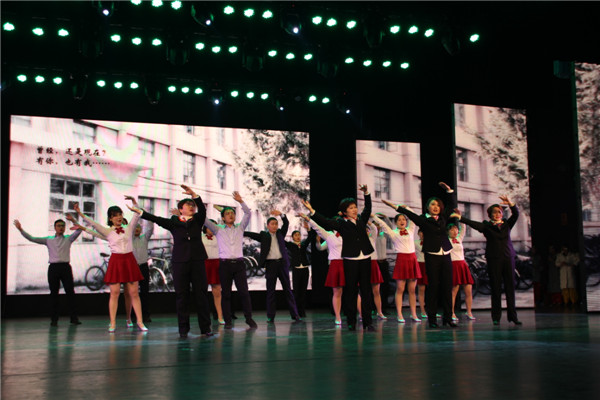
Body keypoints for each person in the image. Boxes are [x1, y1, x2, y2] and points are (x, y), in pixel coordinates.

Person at [136, 184, 211, 337]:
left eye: (192, 205)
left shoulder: (198, 219)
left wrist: (194, 195)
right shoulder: (173, 222)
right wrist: (140, 212)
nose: (192, 206)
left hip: (197, 261)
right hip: (180, 262)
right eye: (188, 205)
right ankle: (183, 330)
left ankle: (205, 328)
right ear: (181, 209)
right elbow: (155, 218)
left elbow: (202, 210)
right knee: (182, 296)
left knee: (201, 295)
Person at [302, 184, 376, 332]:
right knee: (351, 292)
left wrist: (366, 193)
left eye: (355, 207)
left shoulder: (361, 220)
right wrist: (312, 211)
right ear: (344, 211)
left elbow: (368, 208)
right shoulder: (341, 224)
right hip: (350, 260)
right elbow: (326, 221)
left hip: (365, 258)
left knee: (366, 292)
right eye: (351, 208)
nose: (354, 210)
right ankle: (351, 321)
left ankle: (368, 322)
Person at [384, 182, 458, 328]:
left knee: (447, 286)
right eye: (432, 205)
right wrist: (396, 207)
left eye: (438, 205)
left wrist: (449, 191)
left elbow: (451, 205)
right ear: (427, 207)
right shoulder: (423, 219)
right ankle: (432, 319)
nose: (435, 207)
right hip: (432, 255)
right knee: (433, 287)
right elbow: (410, 215)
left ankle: (448, 318)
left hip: (445, 253)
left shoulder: (443, 217)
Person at [73, 198, 147, 332]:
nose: (118, 217)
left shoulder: (129, 228)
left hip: (129, 260)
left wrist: (134, 202)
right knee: (115, 293)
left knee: (134, 293)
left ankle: (140, 322)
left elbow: (137, 214)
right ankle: (112, 323)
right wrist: (80, 213)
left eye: (120, 214)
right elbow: (93, 224)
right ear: (110, 219)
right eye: (115, 215)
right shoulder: (107, 231)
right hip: (116, 261)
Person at [453, 195, 522, 325]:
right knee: (495, 287)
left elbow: (516, 214)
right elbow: (474, 224)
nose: (497, 214)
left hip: (508, 257)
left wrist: (510, 203)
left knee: (510, 287)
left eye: (499, 212)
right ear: (490, 215)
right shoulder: (487, 226)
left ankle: (513, 316)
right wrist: (461, 218)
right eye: (494, 212)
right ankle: (496, 317)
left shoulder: (507, 224)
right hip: (494, 258)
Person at [13, 217, 83, 326]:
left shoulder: (68, 238)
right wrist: (21, 229)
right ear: (54, 228)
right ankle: (54, 320)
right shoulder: (49, 240)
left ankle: (74, 318)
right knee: (54, 294)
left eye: (63, 226)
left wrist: (73, 220)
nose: (61, 228)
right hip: (53, 268)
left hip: (65, 268)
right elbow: (32, 238)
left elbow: (79, 229)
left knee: (70, 293)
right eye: (59, 226)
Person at [204, 192, 257, 329]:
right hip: (225, 265)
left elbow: (248, 213)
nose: (231, 215)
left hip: (239, 264)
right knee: (226, 294)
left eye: (232, 213)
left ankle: (249, 318)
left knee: (244, 293)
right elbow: (204, 220)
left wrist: (241, 201)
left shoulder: (240, 227)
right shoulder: (218, 230)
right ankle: (227, 321)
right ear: (222, 218)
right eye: (227, 213)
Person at [243, 210, 301, 323]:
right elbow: (250, 234)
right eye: (272, 224)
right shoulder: (263, 235)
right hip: (271, 265)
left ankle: (295, 315)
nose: (274, 226)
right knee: (270, 291)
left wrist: (281, 215)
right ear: (268, 226)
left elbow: (286, 223)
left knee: (288, 290)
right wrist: (239, 230)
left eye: (276, 224)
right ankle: (270, 316)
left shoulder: (280, 233)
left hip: (282, 264)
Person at [372, 211, 421, 323]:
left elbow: (413, 217)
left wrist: (406, 209)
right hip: (402, 260)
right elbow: (383, 225)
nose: (402, 221)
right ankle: (399, 314)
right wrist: (374, 216)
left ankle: (414, 314)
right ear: (395, 222)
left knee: (412, 290)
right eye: (399, 220)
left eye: (403, 219)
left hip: (412, 259)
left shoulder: (410, 230)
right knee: (400, 289)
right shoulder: (393, 232)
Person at [300, 213, 345, 325]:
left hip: (347, 264)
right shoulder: (329, 235)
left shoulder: (347, 234)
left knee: (353, 291)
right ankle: (337, 316)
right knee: (336, 292)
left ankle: (360, 314)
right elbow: (318, 230)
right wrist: (308, 219)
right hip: (334, 264)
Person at [285, 222, 316, 318]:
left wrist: (308, 229)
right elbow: (282, 241)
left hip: (305, 270)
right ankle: (296, 311)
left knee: (303, 291)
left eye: (299, 235)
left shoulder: (303, 244)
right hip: (296, 270)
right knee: (296, 291)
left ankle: (302, 311)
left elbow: (310, 237)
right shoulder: (291, 245)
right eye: (296, 235)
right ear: (292, 237)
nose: (298, 237)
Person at [130, 202, 154, 324]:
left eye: (139, 228)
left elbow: (150, 227)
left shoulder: (144, 237)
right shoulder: (129, 239)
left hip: (144, 267)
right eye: (136, 228)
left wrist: (144, 213)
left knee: (145, 292)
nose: (137, 229)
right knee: (133, 293)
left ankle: (146, 315)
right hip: (133, 268)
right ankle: (133, 316)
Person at [447, 222, 475, 321]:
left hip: (463, 265)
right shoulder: (446, 241)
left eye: (456, 229)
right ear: (448, 231)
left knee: (468, 290)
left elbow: (463, 227)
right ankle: (451, 312)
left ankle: (469, 312)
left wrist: (460, 218)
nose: (454, 231)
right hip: (453, 266)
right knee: (454, 291)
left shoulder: (459, 239)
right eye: (452, 229)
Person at [203, 221, 225, 324]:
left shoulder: (219, 237)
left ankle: (220, 316)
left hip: (217, 264)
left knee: (217, 292)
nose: (212, 229)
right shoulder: (201, 237)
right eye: (209, 227)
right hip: (204, 265)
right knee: (202, 293)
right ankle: (204, 318)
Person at [415, 230, 428, 319]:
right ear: (418, 233)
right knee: (421, 289)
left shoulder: (430, 241)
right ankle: (422, 310)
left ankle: (432, 310)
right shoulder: (415, 243)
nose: (422, 234)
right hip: (420, 265)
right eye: (421, 232)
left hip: (429, 265)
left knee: (431, 290)